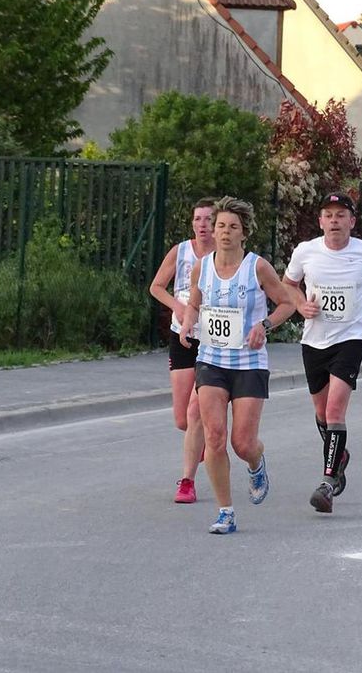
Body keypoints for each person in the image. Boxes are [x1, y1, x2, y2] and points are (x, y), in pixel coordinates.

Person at [177, 197, 294, 534]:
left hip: (249, 363)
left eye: (232, 227)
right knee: (214, 437)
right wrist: (188, 324)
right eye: (220, 226)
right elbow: (194, 304)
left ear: (244, 233)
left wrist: (264, 326)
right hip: (211, 361)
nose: (225, 232)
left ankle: (256, 463)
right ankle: (225, 511)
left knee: (242, 443)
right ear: (212, 231)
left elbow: (286, 303)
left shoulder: (257, 267)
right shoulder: (201, 267)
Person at [282, 192, 362, 513]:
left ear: (352, 221)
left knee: (335, 412)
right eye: (328, 215)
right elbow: (288, 283)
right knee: (321, 413)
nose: (334, 221)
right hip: (314, 341)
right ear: (320, 221)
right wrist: (299, 304)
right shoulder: (306, 251)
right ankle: (340, 455)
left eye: (340, 215)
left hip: (350, 339)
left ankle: (328, 482)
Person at [148, 197, 215, 504]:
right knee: (181, 420)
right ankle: (198, 439)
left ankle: (187, 481)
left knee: (194, 410)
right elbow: (156, 286)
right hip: (183, 336)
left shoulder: (223, 255)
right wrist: (177, 304)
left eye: (208, 219)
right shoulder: (181, 251)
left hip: (212, 340)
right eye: (198, 219)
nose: (203, 225)